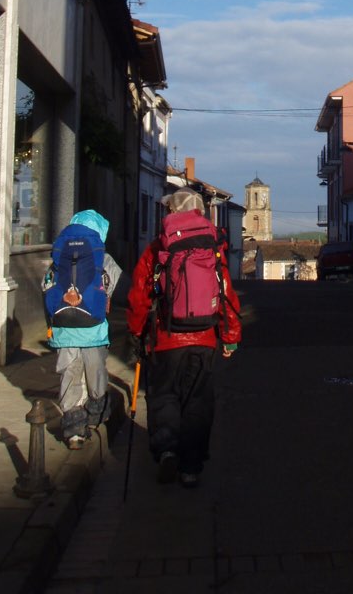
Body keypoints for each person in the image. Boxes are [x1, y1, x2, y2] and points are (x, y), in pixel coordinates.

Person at [126, 189, 242, 488]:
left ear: (170, 213)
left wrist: (136, 332)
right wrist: (230, 337)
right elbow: (226, 293)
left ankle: (167, 451)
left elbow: (140, 294)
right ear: (200, 212)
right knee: (198, 402)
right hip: (203, 340)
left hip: (165, 339)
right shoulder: (213, 248)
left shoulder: (158, 249)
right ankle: (191, 467)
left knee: (164, 397)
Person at [43, 209, 126, 449]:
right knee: (96, 375)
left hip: (64, 330)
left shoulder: (59, 255)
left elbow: (46, 286)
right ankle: (94, 418)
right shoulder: (103, 258)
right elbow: (120, 288)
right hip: (94, 330)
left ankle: (73, 432)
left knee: (70, 375)